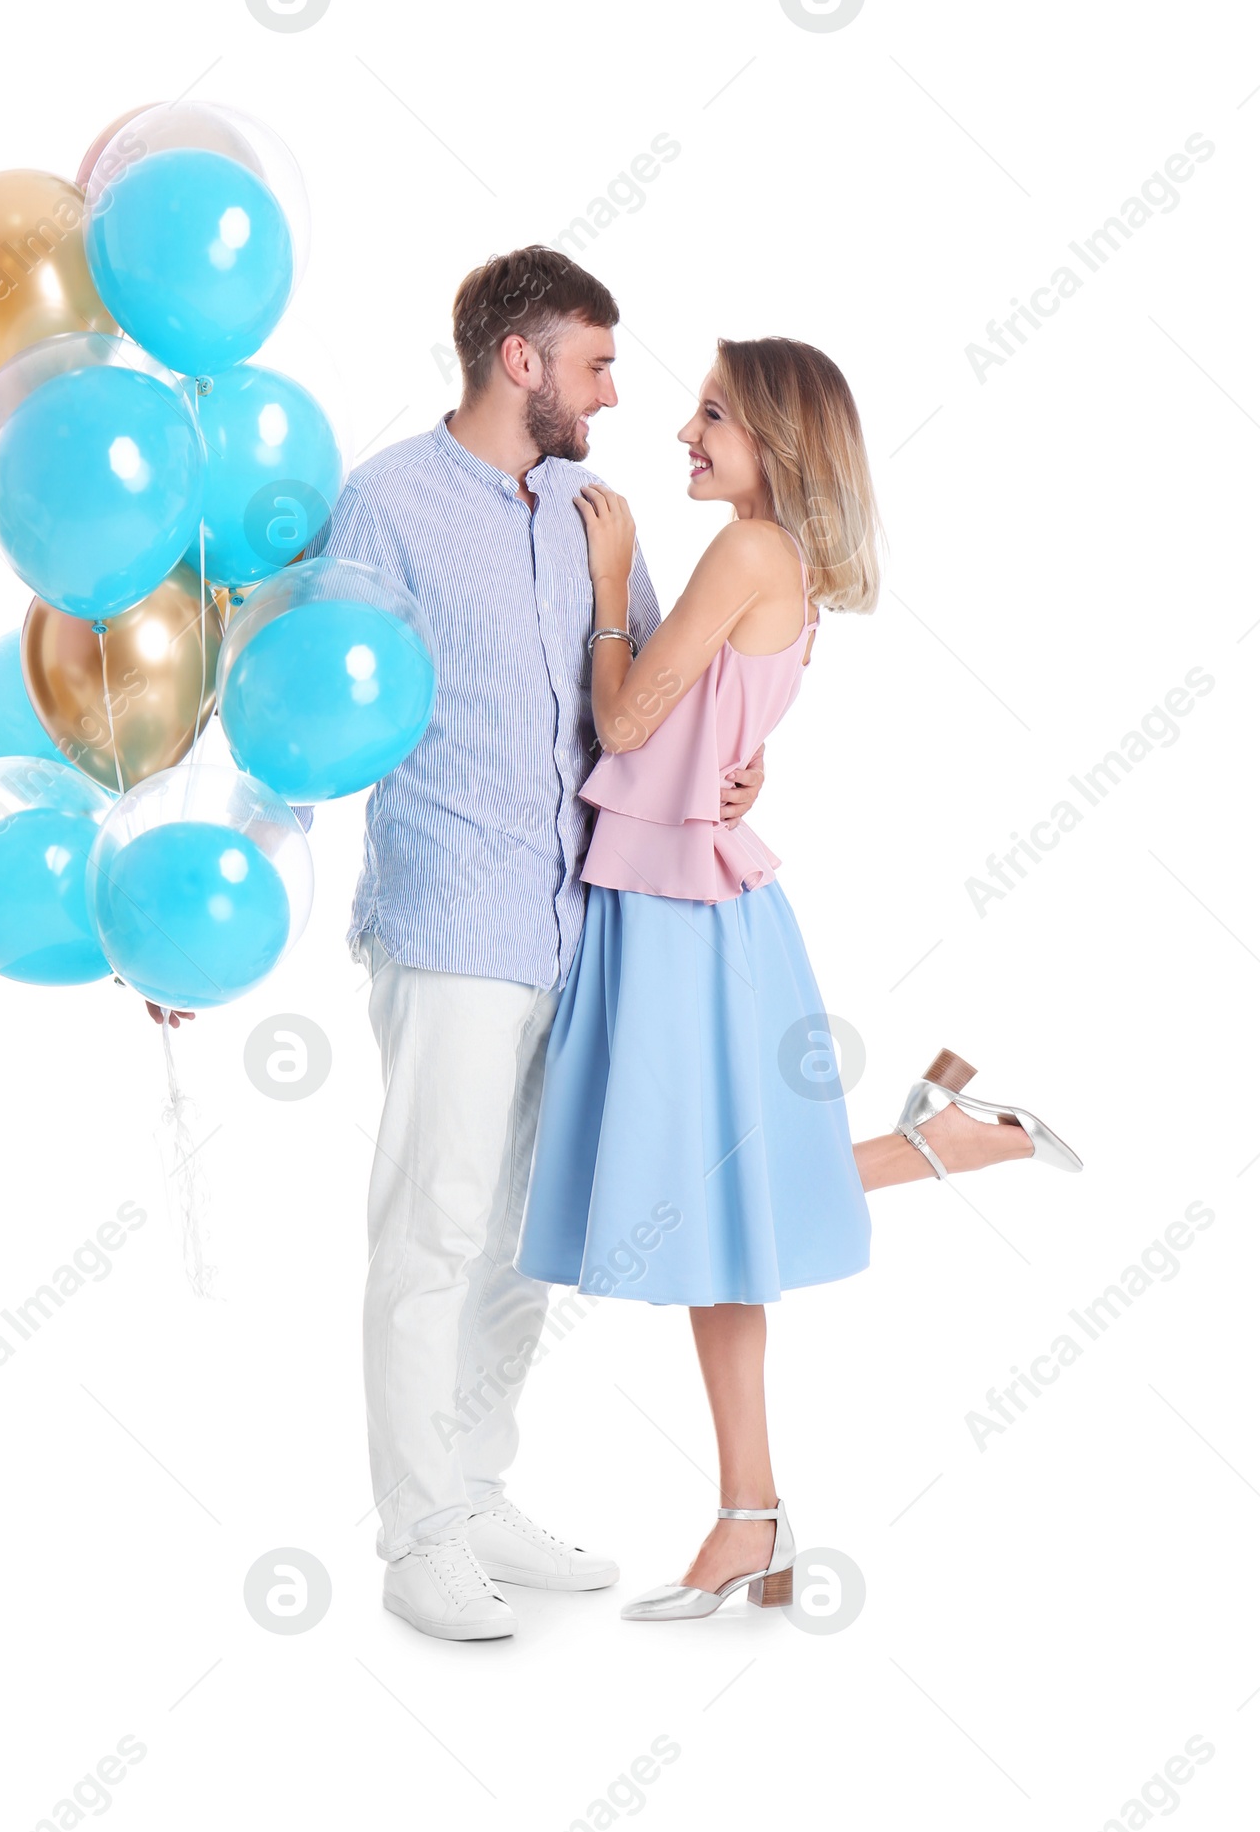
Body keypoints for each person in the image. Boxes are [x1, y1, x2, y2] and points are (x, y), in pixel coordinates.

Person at [516, 335, 1081, 1622]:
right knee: (723, 1209)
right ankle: (753, 1511)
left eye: (711, 414)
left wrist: (611, 581)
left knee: (714, 1202)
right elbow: (718, 723)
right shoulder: (788, 568)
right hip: (685, 896)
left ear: (774, 433)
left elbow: (624, 719)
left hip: (681, 908)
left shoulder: (753, 551)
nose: (683, 433)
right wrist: (735, 759)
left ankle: (752, 1513)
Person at [300, 249, 769, 1641]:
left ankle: (476, 1487)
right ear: (523, 360)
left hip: (586, 924)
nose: (617, 396)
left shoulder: (592, 509)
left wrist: (735, 779)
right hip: (450, 918)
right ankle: (416, 1534)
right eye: (598, 366)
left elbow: (665, 685)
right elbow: (312, 703)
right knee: (433, 1230)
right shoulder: (384, 505)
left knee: (519, 1241)